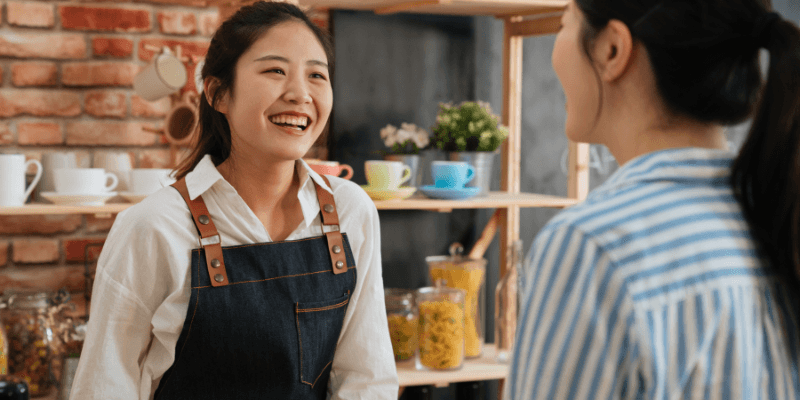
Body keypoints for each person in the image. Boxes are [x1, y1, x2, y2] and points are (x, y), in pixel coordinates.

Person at [70, 2, 398, 399]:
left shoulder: (350, 211)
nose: (300, 94)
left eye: (316, 75)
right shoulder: (153, 226)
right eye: (275, 70)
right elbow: (104, 386)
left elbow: (367, 379)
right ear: (218, 93)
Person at [507, 0, 800, 398]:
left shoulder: (590, 248)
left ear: (612, 49)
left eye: (565, 24)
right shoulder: (777, 217)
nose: (557, 47)